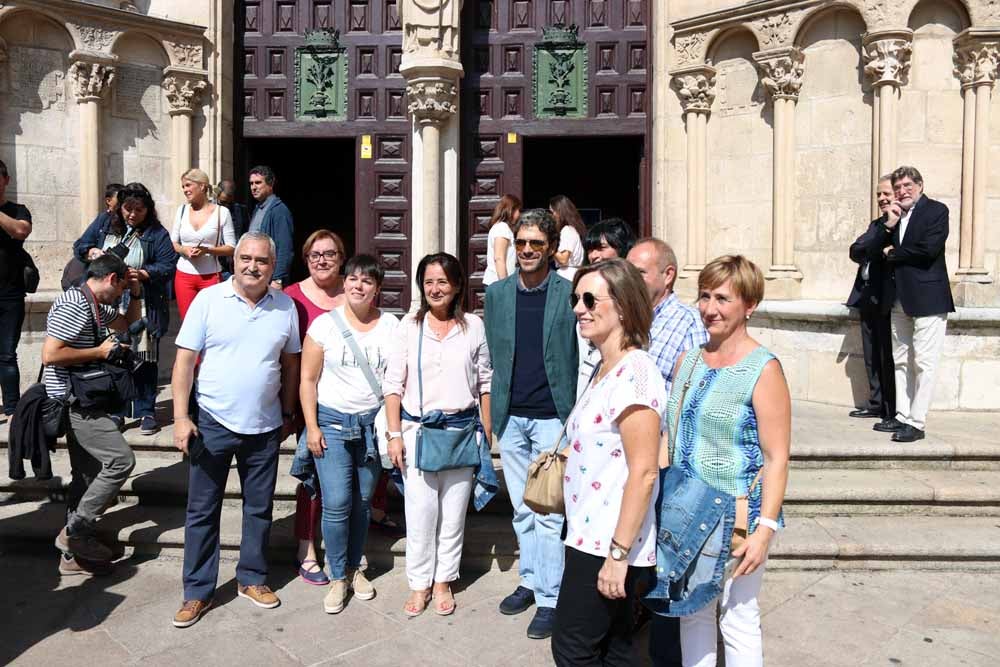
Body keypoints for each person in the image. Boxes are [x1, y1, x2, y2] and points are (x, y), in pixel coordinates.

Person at [663, 255, 791, 667]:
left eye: (722, 298)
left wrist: (765, 529)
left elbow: (776, 457)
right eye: (703, 295)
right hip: (685, 510)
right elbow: (671, 436)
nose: (709, 308)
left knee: (737, 616)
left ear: (749, 305)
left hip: (737, 514)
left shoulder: (763, 368)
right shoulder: (689, 360)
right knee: (692, 613)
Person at [170, 232, 301, 628]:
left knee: (259, 509)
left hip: (264, 427)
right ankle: (197, 591)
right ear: (234, 259)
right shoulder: (209, 300)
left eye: (261, 260)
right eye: (245, 258)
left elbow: (291, 364)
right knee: (202, 510)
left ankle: (252, 578)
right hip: (212, 421)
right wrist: (180, 416)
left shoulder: (286, 307)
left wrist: (288, 412)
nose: (252, 266)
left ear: (272, 265)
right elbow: (183, 362)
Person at [551, 259, 665, 666]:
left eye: (588, 299)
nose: (578, 308)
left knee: (572, 647)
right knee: (616, 648)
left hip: (607, 539)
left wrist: (617, 557)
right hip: (587, 529)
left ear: (622, 305)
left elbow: (645, 470)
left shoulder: (635, 374)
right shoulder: (604, 366)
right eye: (575, 299)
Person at [484, 208, 579, 639]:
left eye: (535, 244)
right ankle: (530, 578)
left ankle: (550, 598)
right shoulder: (498, 294)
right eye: (521, 242)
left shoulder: (569, 292)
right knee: (522, 510)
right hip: (512, 415)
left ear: (551, 247)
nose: (525, 250)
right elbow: (493, 358)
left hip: (551, 419)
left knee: (548, 511)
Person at [384, 253, 493, 618]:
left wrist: (487, 430)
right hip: (419, 432)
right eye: (429, 281)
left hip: (462, 432)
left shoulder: (473, 326)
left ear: (458, 285)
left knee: (453, 513)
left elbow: (485, 381)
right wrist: (394, 434)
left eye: (443, 281)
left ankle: (444, 579)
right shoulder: (408, 327)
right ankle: (419, 583)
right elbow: (392, 385)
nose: (435, 288)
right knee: (420, 513)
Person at [299, 254, 399, 613]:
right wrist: (311, 426)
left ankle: (355, 567)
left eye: (367, 281)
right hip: (332, 425)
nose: (359, 285)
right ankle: (337, 574)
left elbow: (395, 381)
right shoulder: (324, 326)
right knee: (338, 502)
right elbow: (307, 380)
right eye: (354, 279)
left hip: (371, 426)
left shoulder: (391, 326)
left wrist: (393, 429)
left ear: (377, 290)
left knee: (361, 503)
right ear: (345, 283)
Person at [41, 254, 141, 567]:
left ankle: (72, 557)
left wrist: (135, 293)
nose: (121, 293)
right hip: (74, 403)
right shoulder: (75, 303)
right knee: (120, 460)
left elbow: (126, 325)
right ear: (112, 279)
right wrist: (99, 351)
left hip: (87, 398)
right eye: (122, 287)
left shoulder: (96, 305)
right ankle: (76, 529)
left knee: (86, 475)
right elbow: (50, 355)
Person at [73, 182, 177, 435]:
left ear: (148, 210)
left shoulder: (157, 233)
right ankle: (118, 411)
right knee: (114, 356)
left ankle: (146, 411)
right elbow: (80, 246)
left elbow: (168, 265)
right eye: (127, 209)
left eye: (138, 210)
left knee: (144, 357)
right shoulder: (104, 222)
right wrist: (91, 251)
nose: (131, 214)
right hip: (107, 302)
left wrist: (143, 273)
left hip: (142, 302)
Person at [862, 166, 954, 443]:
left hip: (928, 298)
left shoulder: (936, 211)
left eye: (906, 186)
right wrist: (889, 225)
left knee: (924, 362)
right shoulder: (895, 216)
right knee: (899, 360)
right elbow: (866, 250)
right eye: (898, 187)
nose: (902, 191)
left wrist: (894, 254)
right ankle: (902, 415)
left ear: (920, 186)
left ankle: (917, 421)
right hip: (897, 299)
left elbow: (928, 249)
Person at [284, 230, 347, 585]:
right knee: (311, 477)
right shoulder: (291, 298)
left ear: (341, 257)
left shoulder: (353, 293)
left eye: (329, 254)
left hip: (347, 403)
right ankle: (306, 548)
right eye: (314, 255)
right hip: (306, 402)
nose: (322, 260)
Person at [627, 238, 708, 394]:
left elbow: (697, 395)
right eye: (627, 273)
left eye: (639, 273)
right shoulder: (624, 318)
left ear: (668, 275)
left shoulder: (690, 323)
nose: (630, 280)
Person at [847, 177, 896, 431]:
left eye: (886, 193)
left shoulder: (897, 225)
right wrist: (873, 247)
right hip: (866, 295)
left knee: (887, 354)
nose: (881, 199)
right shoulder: (876, 224)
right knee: (870, 353)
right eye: (878, 194)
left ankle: (890, 408)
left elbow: (878, 251)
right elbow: (856, 250)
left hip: (885, 297)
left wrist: (874, 246)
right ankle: (875, 402)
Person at [171, 168, 236, 320]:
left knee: (212, 322)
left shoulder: (222, 212)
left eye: (188, 185)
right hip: (184, 276)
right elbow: (173, 242)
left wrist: (207, 250)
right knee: (188, 323)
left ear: (202, 186)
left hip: (211, 277)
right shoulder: (181, 210)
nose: (185, 190)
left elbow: (232, 248)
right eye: (183, 187)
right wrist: (184, 250)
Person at [0, 158, 33, 417]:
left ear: (6, 180)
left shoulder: (17, 209)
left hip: (10, 294)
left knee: (7, 354)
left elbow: (21, 231)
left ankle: (12, 409)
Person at [248, 165, 294, 289]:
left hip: (270, 279)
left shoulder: (279, 210)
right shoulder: (257, 209)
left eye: (258, 183)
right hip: (255, 274)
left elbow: (285, 247)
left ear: (270, 184)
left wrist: (277, 279)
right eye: (251, 183)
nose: (253, 187)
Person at [482, 194, 522, 286]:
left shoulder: (502, 227)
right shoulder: (502, 228)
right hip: (498, 283)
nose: (519, 214)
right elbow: (499, 258)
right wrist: (505, 285)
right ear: (511, 210)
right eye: (518, 210)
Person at [215, 179, 249, 277]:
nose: (225, 207)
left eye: (229, 203)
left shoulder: (241, 211)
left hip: (235, 265)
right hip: (216, 264)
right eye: (222, 202)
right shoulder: (210, 210)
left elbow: (246, 234)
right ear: (217, 194)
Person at [550, 194, 586, 280]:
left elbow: (563, 259)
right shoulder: (572, 230)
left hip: (566, 275)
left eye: (552, 212)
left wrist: (550, 247)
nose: (551, 215)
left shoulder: (567, 230)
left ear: (559, 211)